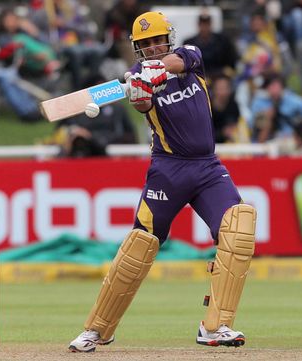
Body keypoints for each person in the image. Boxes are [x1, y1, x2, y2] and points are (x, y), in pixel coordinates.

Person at [69, 11, 257, 353]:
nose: (154, 48)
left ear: (168, 39)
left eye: (158, 40)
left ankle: (215, 326)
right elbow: (141, 102)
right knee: (140, 244)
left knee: (239, 229)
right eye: (146, 45)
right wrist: (141, 93)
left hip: (208, 169)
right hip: (168, 171)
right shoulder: (137, 78)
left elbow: (184, 58)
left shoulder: (190, 58)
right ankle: (98, 330)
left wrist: (160, 67)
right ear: (137, 49)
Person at [55, 74, 137, 157]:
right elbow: (61, 132)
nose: (102, 93)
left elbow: (130, 135)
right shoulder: (76, 112)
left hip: (109, 154)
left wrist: (90, 136)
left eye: (104, 88)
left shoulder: (117, 109)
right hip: (80, 155)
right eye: (97, 89)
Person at [250, 72, 302, 143]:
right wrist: (268, 118)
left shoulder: (293, 100)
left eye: (276, 85)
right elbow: (255, 129)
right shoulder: (259, 104)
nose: (274, 89)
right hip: (268, 141)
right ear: (266, 88)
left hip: (292, 139)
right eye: (271, 86)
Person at [182, 13, 239, 78]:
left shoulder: (223, 41)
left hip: (219, 76)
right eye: (202, 24)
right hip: (197, 77)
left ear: (211, 25)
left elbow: (231, 61)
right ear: (198, 25)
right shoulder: (189, 43)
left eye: (207, 24)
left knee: (222, 84)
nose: (204, 28)